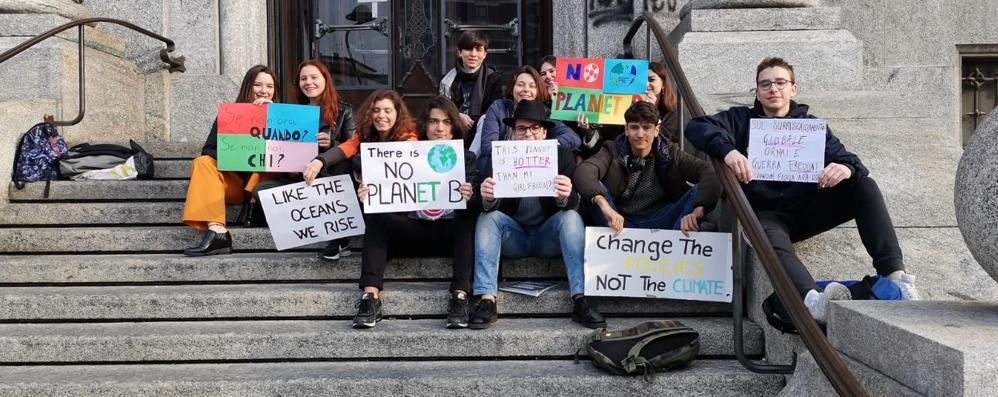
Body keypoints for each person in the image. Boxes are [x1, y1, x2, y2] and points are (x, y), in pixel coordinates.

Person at [684, 57, 920, 323]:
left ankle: (896, 278)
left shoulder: (811, 126)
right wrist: (728, 151)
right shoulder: (741, 119)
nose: (773, 89)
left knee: (865, 185)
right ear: (757, 92)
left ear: (793, 88)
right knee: (764, 231)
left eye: (780, 82)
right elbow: (696, 126)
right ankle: (812, 299)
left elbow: (852, 161)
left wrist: (845, 168)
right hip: (765, 215)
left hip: (808, 209)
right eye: (765, 84)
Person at [470, 99, 605, 330]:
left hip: (547, 235)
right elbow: (481, 207)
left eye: (535, 128)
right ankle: (486, 299)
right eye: (522, 128)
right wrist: (487, 198)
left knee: (571, 218)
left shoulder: (561, 154)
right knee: (486, 218)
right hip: (514, 236)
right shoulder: (499, 156)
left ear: (544, 132)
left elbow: (575, 205)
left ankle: (581, 297)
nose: (528, 134)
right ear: (512, 132)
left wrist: (566, 196)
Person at [351, 97, 479, 329]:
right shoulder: (405, 154)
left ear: (454, 127)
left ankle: (460, 296)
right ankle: (370, 297)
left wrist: (471, 196)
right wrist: (370, 195)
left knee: (468, 222)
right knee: (377, 218)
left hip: (449, 235)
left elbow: (477, 206)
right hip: (411, 230)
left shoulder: (466, 158)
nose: (439, 128)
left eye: (446, 122)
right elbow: (366, 166)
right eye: (433, 122)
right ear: (424, 125)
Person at [255, 60, 356, 261]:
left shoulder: (344, 111)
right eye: (303, 79)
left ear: (325, 80)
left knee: (343, 164)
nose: (308, 82)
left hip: (329, 178)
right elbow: (278, 147)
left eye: (313, 77)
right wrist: (270, 113)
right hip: (300, 179)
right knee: (261, 191)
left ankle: (337, 236)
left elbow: (353, 147)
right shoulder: (293, 112)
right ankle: (308, 220)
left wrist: (332, 144)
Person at [573, 101, 720, 233]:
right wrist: (604, 205)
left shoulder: (669, 151)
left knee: (697, 191)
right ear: (626, 130)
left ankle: (677, 246)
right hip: (617, 220)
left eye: (647, 127)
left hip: (660, 220)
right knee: (594, 190)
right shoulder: (612, 149)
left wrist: (697, 212)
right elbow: (584, 171)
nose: (640, 134)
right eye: (634, 127)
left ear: (656, 130)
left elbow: (708, 172)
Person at [182, 65, 277, 256]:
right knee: (202, 162)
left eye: (270, 86)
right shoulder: (229, 115)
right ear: (248, 87)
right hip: (233, 183)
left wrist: (273, 116)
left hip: (262, 186)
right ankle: (217, 231)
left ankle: (254, 207)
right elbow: (208, 150)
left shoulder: (284, 117)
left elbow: (291, 158)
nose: (264, 91)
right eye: (258, 85)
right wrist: (234, 155)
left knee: (271, 157)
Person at [474, 65, 581, 173]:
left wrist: (543, 147)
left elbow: (573, 138)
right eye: (520, 85)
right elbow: (488, 147)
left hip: (535, 166)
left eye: (532, 86)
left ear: (538, 91)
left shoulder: (543, 112)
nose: (526, 90)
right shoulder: (498, 108)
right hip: (503, 167)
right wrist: (518, 150)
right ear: (512, 89)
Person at [576, 62, 681, 158]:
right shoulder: (625, 107)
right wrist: (589, 132)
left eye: (651, 79)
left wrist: (652, 111)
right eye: (641, 80)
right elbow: (606, 142)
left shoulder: (672, 113)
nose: (646, 84)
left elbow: (666, 142)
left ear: (663, 84)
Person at [438, 30, 504, 131]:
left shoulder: (493, 79)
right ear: (459, 52)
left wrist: (473, 122)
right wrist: (457, 116)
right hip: (453, 131)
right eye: (468, 49)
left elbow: (494, 113)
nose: (473, 54)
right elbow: (440, 109)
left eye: (478, 50)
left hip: (482, 131)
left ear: (485, 54)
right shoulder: (446, 80)